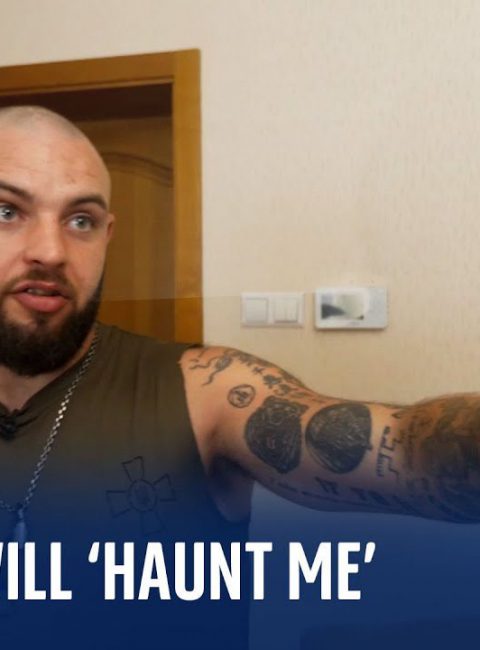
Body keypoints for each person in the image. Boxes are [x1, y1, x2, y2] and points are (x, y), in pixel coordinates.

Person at [0, 105, 476, 648]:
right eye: (7, 211)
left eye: (80, 220)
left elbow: (408, 450)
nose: (50, 251)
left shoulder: (206, 393)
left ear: (107, 235)